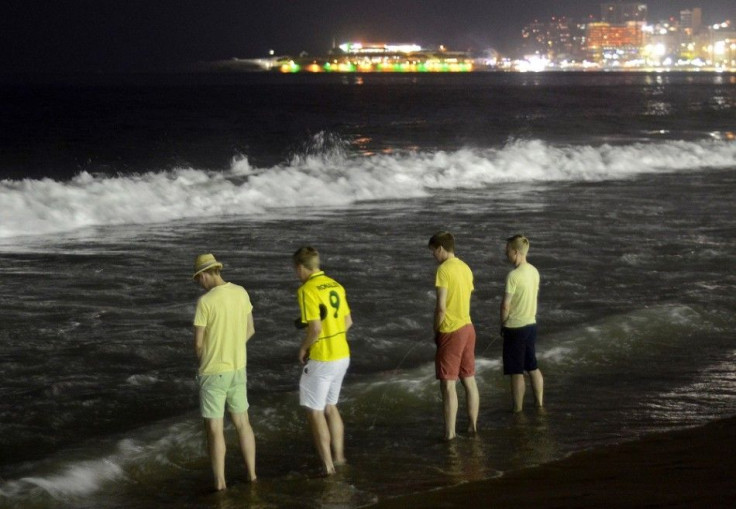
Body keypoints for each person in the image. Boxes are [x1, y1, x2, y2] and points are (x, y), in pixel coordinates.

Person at [192, 253, 257, 490]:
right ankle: (252, 475)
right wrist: (232, 346)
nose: (199, 283)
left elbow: (198, 344)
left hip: (213, 371)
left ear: (205, 274)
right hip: (238, 367)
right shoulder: (241, 292)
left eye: (198, 278)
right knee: (243, 423)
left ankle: (220, 483)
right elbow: (250, 329)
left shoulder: (205, 302)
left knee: (214, 429)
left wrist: (204, 361)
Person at [293, 246, 352, 475]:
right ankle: (339, 458)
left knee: (315, 411)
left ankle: (327, 468)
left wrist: (303, 348)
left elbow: (315, 328)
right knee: (331, 406)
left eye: (296, 270)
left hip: (322, 357)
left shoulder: (307, 289)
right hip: (342, 354)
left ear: (301, 267)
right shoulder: (335, 284)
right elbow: (348, 322)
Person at [428, 231, 479, 440]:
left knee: (448, 384)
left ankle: (450, 433)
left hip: (451, 330)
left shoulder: (443, 270)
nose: (433, 256)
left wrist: (436, 330)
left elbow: (441, 307)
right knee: (469, 379)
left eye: (433, 251)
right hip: (468, 327)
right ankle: (473, 426)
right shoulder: (466, 268)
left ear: (440, 248)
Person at [500, 235, 544, 413]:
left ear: (516, 252)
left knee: (516, 371)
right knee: (532, 366)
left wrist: (502, 324)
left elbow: (505, 304)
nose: (506, 254)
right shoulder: (534, 271)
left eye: (507, 251)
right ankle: (539, 403)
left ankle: (517, 409)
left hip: (515, 327)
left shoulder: (513, 276)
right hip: (531, 325)